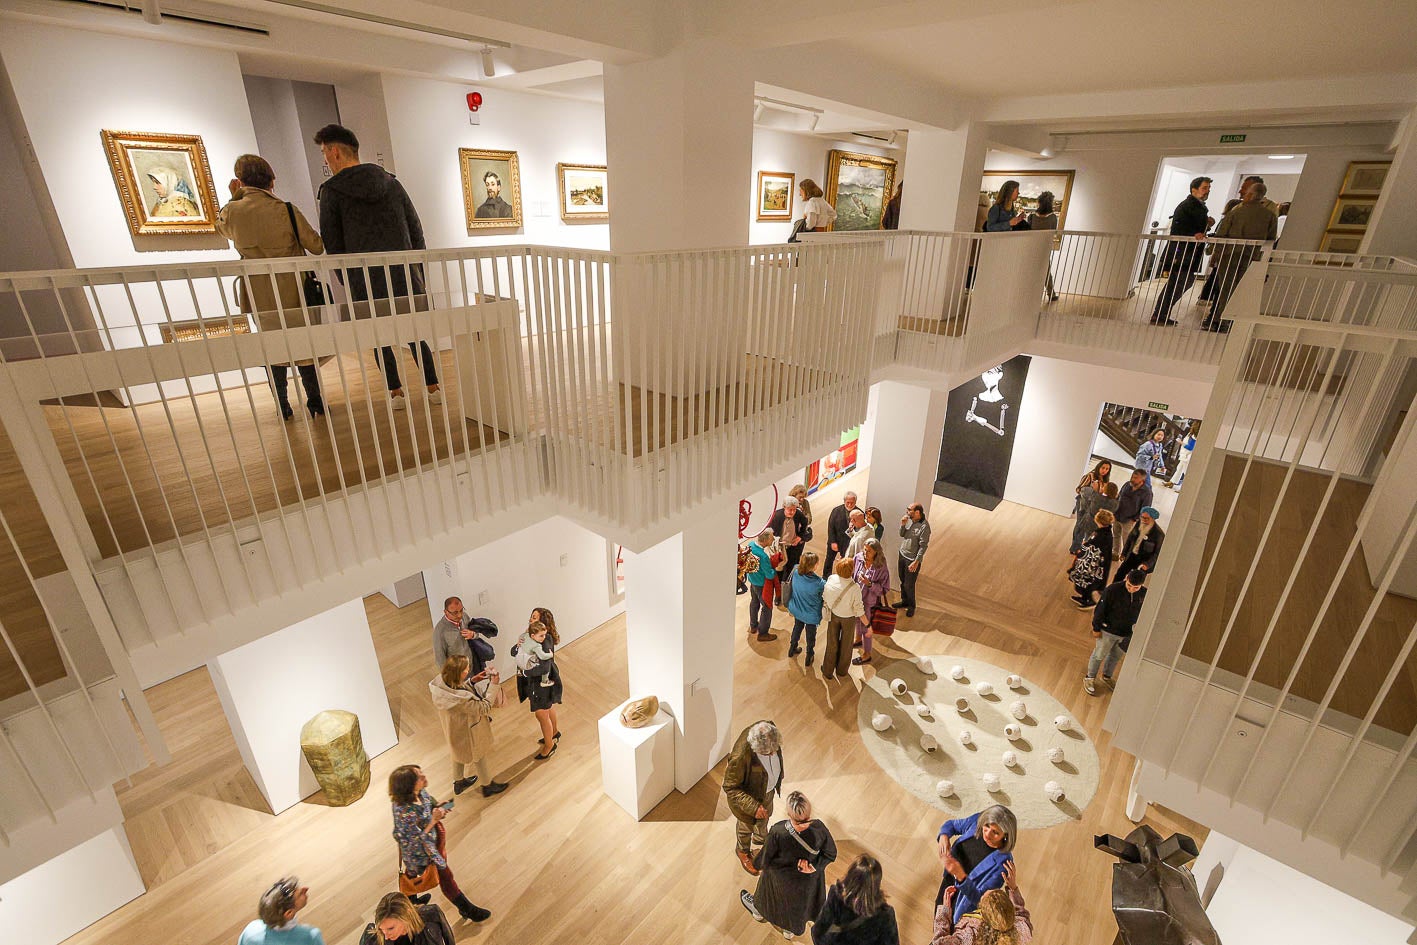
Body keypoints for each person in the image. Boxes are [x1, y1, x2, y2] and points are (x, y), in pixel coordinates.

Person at [313, 123, 441, 410]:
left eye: (323, 152)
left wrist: (346, 278)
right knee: (414, 332)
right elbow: (416, 229)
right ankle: (433, 387)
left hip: (363, 278)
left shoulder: (332, 192)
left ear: (334, 151)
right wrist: (416, 268)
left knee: (378, 335)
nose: (324, 159)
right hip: (404, 273)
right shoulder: (391, 182)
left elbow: (333, 242)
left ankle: (396, 392)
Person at [215, 154, 325, 421]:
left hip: (258, 292)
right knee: (303, 346)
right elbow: (316, 246)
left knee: (270, 347)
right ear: (271, 180)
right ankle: (315, 402)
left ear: (240, 181)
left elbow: (222, 230)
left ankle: (283, 406)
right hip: (294, 289)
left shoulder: (232, 212)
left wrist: (234, 198)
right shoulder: (285, 209)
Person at [387, 765, 490, 923]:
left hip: (433, 843)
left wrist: (438, 806)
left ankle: (413, 905)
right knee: (445, 876)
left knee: (412, 877)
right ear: (409, 785)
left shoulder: (419, 792)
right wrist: (433, 820)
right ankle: (467, 909)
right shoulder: (404, 812)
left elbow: (429, 802)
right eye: (420, 777)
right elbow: (413, 841)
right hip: (422, 853)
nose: (424, 777)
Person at [741, 791, 838, 938]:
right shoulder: (819, 828)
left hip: (779, 878)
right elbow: (831, 853)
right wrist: (813, 867)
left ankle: (758, 911)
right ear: (809, 811)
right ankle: (789, 931)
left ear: (788, 813)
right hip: (808, 881)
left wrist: (756, 862)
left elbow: (764, 859)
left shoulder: (778, 831)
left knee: (767, 895)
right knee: (797, 907)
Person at [428, 655, 507, 797]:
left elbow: (458, 690)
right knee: (479, 755)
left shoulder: (442, 683)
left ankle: (459, 782)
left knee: (457, 752)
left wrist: (472, 681)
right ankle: (487, 786)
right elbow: (484, 707)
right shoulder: (460, 701)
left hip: (453, 729)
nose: (469, 669)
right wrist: (494, 684)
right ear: (459, 673)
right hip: (468, 730)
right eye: (467, 669)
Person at [1205, 180, 1278, 332]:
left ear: (1250, 195)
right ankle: (1232, 321)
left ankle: (1221, 320)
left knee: (1226, 288)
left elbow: (1222, 235)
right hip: (1252, 256)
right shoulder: (1269, 215)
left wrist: (1214, 253)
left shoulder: (1235, 213)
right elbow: (1271, 238)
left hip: (1230, 255)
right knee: (1241, 289)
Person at [935, 806, 1017, 929]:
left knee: (949, 932)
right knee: (938, 918)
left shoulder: (1003, 864)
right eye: (987, 826)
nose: (987, 834)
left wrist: (960, 876)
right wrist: (944, 835)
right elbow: (951, 825)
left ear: (1006, 836)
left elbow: (980, 900)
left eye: (995, 832)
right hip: (949, 880)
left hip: (961, 905)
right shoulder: (978, 820)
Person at [723, 720, 785, 876]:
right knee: (745, 827)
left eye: (775, 750)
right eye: (768, 753)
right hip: (749, 799)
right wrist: (753, 807)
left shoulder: (769, 731)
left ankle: (760, 840)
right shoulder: (740, 756)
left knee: (766, 816)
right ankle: (742, 850)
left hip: (766, 790)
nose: (773, 754)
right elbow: (730, 787)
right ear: (756, 749)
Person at [1150, 176, 1212, 326]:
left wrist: (1205, 226)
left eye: (1208, 188)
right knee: (1178, 283)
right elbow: (1179, 227)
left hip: (1185, 252)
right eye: (1204, 188)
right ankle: (1160, 314)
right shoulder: (1188, 206)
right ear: (1194, 189)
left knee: (1180, 282)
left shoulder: (1196, 206)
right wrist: (1194, 233)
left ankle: (1160, 314)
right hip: (1181, 252)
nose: (1207, 191)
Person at [929, 864, 1031, 945]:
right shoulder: (1022, 930)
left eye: (982, 898)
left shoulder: (969, 935)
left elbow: (938, 942)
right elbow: (1023, 916)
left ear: (983, 915)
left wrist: (944, 912)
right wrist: (1013, 889)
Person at [811, 854, 898, 945]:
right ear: (875, 884)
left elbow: (818, 931)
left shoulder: (836, 895)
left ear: (850, 876)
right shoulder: (885, 915)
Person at [1085, 568, 1147, 694]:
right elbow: (1100, 610)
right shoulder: (1113, 589)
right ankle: (1090, 677)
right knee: (1098, 655)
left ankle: (1107, 676)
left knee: (1115, 657)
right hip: (1108, 630)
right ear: (1126, 579)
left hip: (1126, 634)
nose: (1131, 589)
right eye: (1129, 585)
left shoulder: (1145, 594)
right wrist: (1096, 628)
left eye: (1136, 588)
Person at [515, 609, 563, 758]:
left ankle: (549, 745)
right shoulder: (531, 636)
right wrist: (518, 645)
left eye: (534, 618)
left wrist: (525, 672)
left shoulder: (544, 641)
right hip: (537, 682)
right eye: (531, 616)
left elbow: (543, 667)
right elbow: (514, 651)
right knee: (548, 709)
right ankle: (554, 732)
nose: (530, 619)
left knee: (541, 715)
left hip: (540, 684)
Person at [238, 876, 323, 945]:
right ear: (289, 913)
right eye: (300, 894)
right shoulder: (310, 937)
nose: (306, 889)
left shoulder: (251, 931)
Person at [820, 558, 865, 680]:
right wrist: (868, 625)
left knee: (831, 643)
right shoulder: (855, 588)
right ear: (852, 571)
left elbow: (824, 596)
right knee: (846, 645)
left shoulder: (831, 579)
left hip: (834, 615)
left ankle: (827, 670)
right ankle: (842, 671)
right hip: (849, 619)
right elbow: (859, 609)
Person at [359, 892, 455, 945]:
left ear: (406, 917)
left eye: (391, 928)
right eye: (381, 930)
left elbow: (449, 939)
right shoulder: (371, 940)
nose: (386, 936)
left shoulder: (432, 915)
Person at [431, 596, 496, 673]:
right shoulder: (440, 632)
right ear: (446, 612)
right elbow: (440, 660)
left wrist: (473, 635)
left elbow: (476, 635)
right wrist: (450, 679)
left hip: (472, 666)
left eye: (461, 610)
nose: (459, 615)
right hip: (457, 673)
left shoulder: (464, 617)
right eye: (455, 613)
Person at [852, 538, 890, 666]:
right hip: (856, 598)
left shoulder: (881, 567)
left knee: (866, 628)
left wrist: (869, 584)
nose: (865, 552)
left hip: (868, 602)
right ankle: (858, 640)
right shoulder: (858, 558)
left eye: (868, 551)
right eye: (864, 549)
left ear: (876, 553)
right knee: (857, 620)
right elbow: (852, 574)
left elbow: (884, 589)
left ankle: (867, 654)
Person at [1069, 508, 1115, 609]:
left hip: (1095, 564)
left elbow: (1092, 547)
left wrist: (1081, 550)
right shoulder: (1105, 532)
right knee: (1088, 580)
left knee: (1090, 581)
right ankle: (1085, 598)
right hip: (1097, 562)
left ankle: (1090, 601)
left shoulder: (1102, 535)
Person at [787, 551, 826, 666]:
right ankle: (809, 655)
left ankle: (792, 648)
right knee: (810, 635)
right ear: (813, 566)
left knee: (797, 628)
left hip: (797, 609)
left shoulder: (795, 570)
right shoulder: (820, 583)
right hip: (811, 614)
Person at [769, 496, 811, 605]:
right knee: (779, 572)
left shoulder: (798, 514)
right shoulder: (776, 516)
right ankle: (778, 596)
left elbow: (805, 522)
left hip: (793, 548)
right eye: (790, 509)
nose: (792, 512)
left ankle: (786, 594)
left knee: (790, 571)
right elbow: (769, 531)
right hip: (780, 549)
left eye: (794, 509)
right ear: (784, 507)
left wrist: (800, 537)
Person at [896, 502, 930, 617]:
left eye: (909, 509)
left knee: (909, 585)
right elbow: (902, 535)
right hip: (902, 554)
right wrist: (902, 525)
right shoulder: (912, 522)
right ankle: (904, 601)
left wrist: (916, 561)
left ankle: (911, 606)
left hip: (911, 560)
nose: (907, 511)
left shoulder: (924, 527)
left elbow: (923, 546)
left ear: (917, 512)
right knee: (902, 581)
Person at [1071, 473, 1117, 554]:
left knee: (1082, 534)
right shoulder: (1115, 503)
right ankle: (1086, 551)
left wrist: (1096, 489)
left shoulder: (1097, 497)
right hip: (1101, 525)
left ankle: (1078, 550)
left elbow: (1090, 497)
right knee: (1091, 539)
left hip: (1089, 521)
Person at [1113, 469, 1152, 562]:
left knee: (1127, 539)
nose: (1132, 479)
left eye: (1135, 478)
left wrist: (1135, 519)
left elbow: (1145, 509)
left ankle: (1126, 557)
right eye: (1132, 476)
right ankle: (1115, 553)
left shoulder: (1147, 493)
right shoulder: (1127, 485)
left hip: (1129, 520)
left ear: (1142, 480)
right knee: (1116, 535)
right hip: (1118, 515)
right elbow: (1119, 497)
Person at [746, 528, 778, 641]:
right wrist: (775, 569)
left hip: (752, 580)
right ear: (765, 540)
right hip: (762, 585)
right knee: (767, 607)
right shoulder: (763, 556)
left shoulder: (750, 545)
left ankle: (753, 625)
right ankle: (763, 633)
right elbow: (769, 575)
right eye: (771, 538)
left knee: (754, 603)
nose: (773, 539)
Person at [1028, 190, 1060, 301]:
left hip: (1031, 247)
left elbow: (1028, 230)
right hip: (1044, 247)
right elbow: (1054, 232)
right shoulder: (1053, 218)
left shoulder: (1032, 216)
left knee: (1030, 270)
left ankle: (1029, 292)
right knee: (1046, 271)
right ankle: (1051, 293)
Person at [1116, 507, 1165, 578]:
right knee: (1119, 574)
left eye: (1146, 518)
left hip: (1143, 561)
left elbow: (1157, 553)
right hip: (1131, 555)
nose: (1143, 520)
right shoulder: (1139, 524)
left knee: (1136, 580)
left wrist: (1147, 564)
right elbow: (1130, 539)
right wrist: (1124, 553)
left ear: (1153, 519)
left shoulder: (1159, 534)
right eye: (1142, 517)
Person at [824, 491, 860, 577]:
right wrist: (832, 541)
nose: (850, 505)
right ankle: (825, 577)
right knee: (829, 560)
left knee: (845, 563)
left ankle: (843, 577)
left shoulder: (859, 513)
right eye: (848, 502)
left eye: (852, 503)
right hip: (835, 540)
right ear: (844, 501)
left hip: (848, 543)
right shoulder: (836, 511)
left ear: (855, 502)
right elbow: (831, 527)